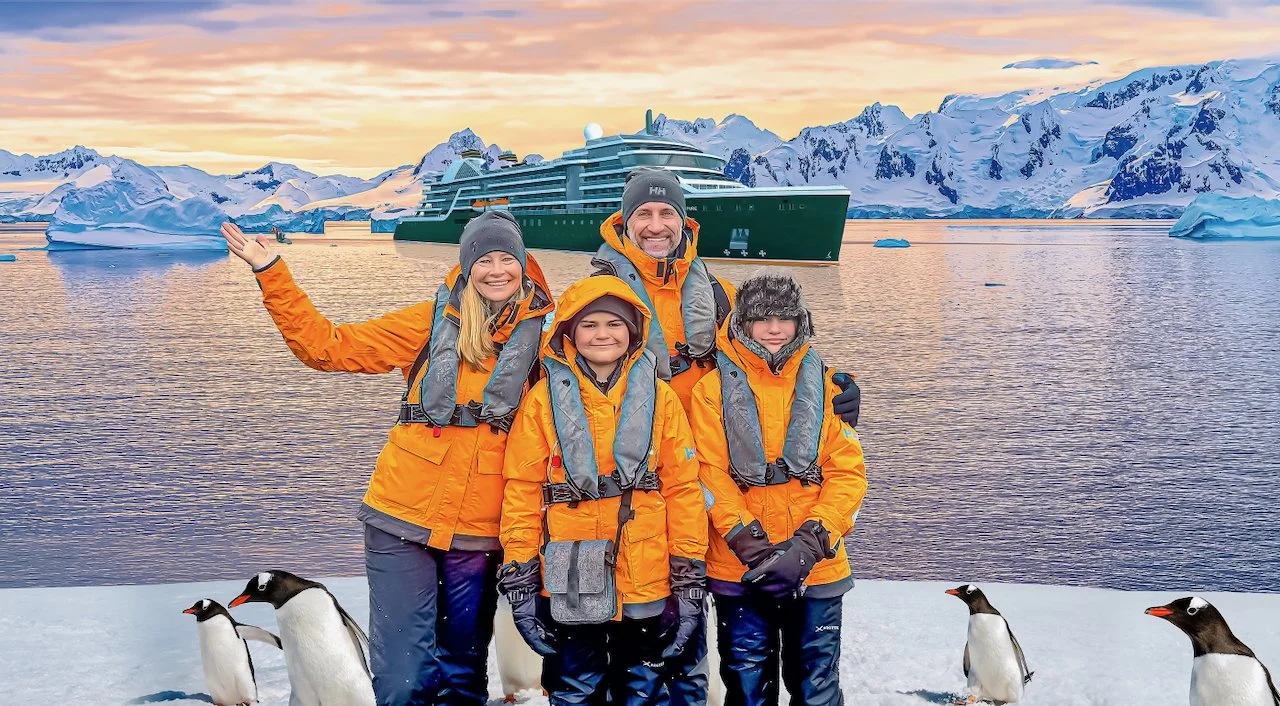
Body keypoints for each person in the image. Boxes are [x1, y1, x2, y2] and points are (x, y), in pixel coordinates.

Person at [220, 213, 554, 706]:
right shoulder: (427, 322)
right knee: (403, 675)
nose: (497, 270)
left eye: (509, 259)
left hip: (483, 529)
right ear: (466, 267)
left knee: (461, 670)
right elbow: (326, 348)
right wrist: (271, 271)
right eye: (484, 259)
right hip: (401, 519)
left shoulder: (550, 339)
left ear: (525, 267)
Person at [590, 167, 863, 704]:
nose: (655, 224)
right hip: (631, 485)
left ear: (685, 222)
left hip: (698, 488)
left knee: (702, 635)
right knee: (634, 628)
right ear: (623, 223)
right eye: (643, 213)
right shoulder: (597, 293)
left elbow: (769, 358)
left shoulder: (715, 292)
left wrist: (838, 384)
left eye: (666, 212)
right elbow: (559, 365)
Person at [497, 275, 708, 706]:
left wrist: (688, 575)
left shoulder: (663, 399)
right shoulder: (541, 400)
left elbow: (684, 489)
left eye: (614, 323)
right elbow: (522, 490)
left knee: (644, 688)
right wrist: (520, 574)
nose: (602, 334)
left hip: (647, 570)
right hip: (570, 571)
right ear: (569, 333)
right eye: (589, 324)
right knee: (575, 687)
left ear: (633, 331)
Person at [690, 270, 867, 706]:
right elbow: (708, 474)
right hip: (740, 567)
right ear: (742, 323)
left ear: (800, 322)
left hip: (818, 567)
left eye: (785, 318)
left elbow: (848, 474)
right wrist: (752, 547)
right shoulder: (709, 390)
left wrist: (810, 543)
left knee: (816, 687)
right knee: (748, 688)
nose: (774, 329)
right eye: (762, 318)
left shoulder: (828, 387)